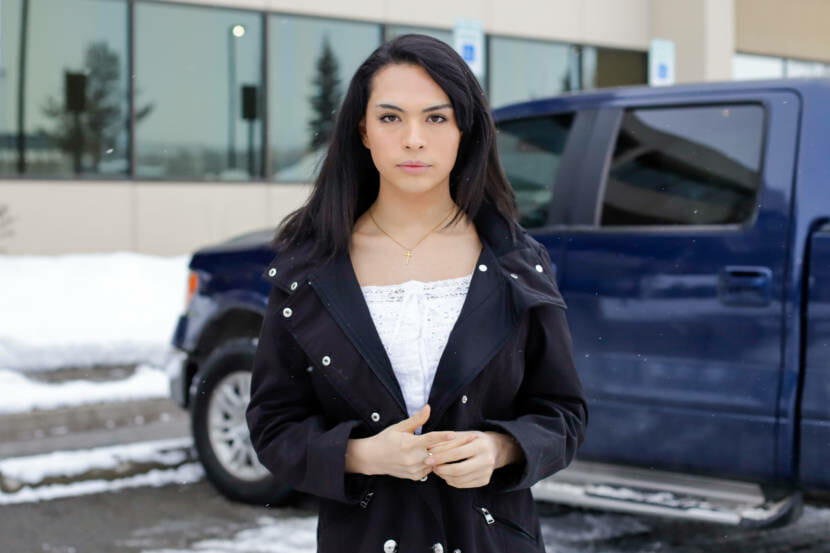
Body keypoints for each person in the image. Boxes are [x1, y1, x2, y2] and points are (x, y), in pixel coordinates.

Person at [246, 33, 587, 553]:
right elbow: (274, 425)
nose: (413, 139)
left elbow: (563, 413)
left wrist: (501, 448)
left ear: (463, 130)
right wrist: (361, 455)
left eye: (436, 117)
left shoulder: (516, 262)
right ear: (362, 130)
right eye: (390, 118)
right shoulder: (310, 270)